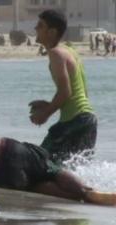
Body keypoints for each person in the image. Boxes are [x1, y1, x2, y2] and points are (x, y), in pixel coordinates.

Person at [29, 10, 97, 163]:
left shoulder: (56, 53)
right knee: (76, 170)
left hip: (75, 121)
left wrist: (45, 113)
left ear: (52, 32)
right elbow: (80, 92)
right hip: (87, 119)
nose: (35, 28)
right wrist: (50, 104)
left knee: (40, 163)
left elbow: (65, 92)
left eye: (40, 25)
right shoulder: (70, 51)